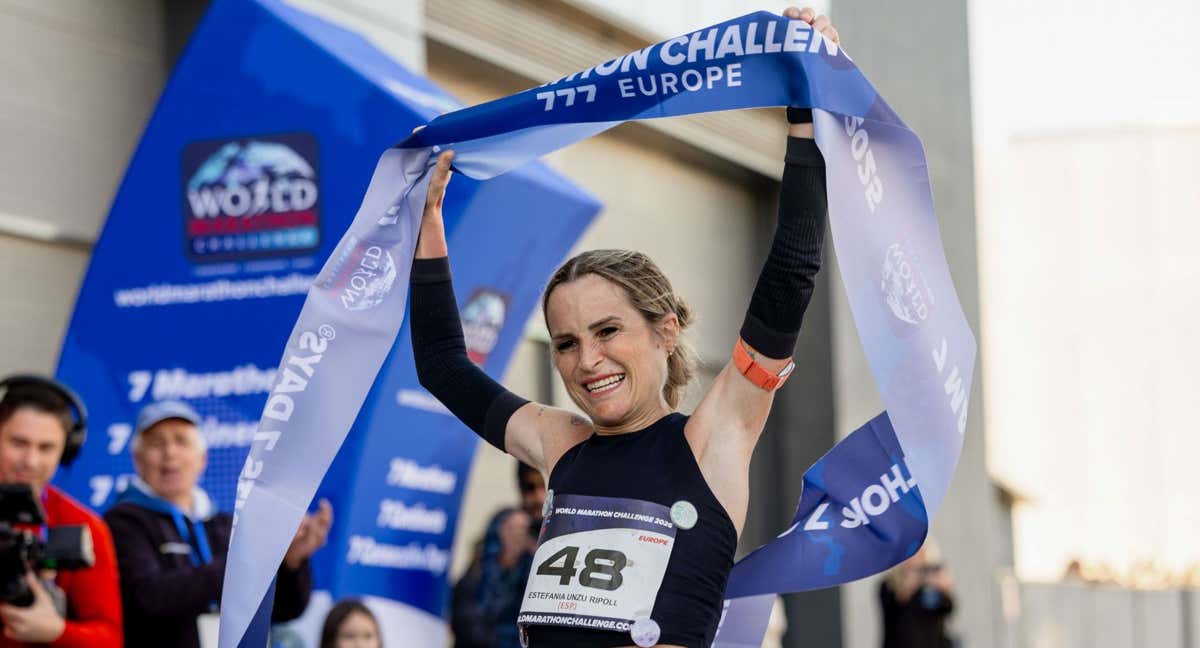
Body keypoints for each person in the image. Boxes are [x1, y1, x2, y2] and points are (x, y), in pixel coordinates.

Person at [409, 7, 838, 646]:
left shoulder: (713, 438)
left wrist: (807, 114)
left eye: (608, 332)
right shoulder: (560, 447)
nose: (588, 361)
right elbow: (443, 366)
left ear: (665, 330)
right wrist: (429, 233)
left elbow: (790, 275)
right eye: (566, 342)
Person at [103, 400, 333, 648]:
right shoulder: (123, 522)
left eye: (181, 441)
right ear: (137, 460)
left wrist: (290, 563)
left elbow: (284, 610)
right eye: (157, 443)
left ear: (202, 458)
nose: (170, 453)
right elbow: (148, 597)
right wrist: (240, 565)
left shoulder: (225, 525)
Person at [0, 375, 122, 647]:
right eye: (18, 443)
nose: (30, 461)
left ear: (66, 452)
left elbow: (109, 639)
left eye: (46, 448)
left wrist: (56, 632)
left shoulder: (83, 525)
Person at [450, 464, 545, 648]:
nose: (538, 497)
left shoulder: (568, 527)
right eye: (529, 487)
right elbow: (487, 605)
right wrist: (507, 558)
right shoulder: (508, 526)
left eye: (545, 487)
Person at [879, 541, 956, 648]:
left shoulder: (931, 585)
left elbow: (947, 609)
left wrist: (944, 589)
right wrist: (913, 578)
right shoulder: (890, 583)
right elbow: (899, 601)